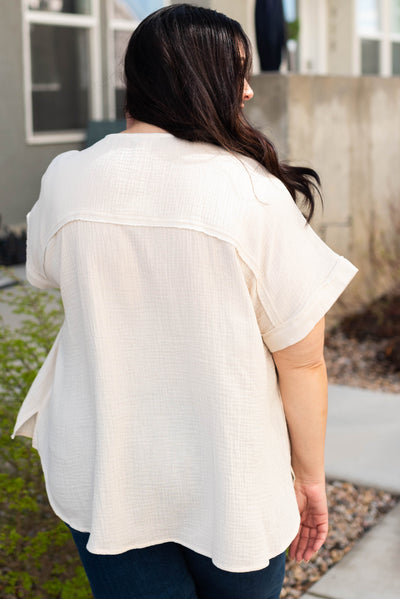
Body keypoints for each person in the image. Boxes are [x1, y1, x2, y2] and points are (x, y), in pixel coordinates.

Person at [12, 4, 358, 599]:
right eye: (237, 74)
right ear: (196, 80)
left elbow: (42, 272)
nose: (248, 91)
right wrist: (309, 480)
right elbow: (301, 360)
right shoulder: (252, 192)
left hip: (106, 474)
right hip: (232, 479)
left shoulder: (68, 177)